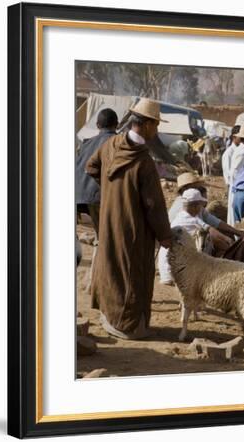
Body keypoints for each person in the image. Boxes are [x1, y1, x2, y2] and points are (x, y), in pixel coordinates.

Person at [86, 97, 172, 340]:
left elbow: (91, 168)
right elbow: (154, 205)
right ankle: (129, 325)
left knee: (111, 267)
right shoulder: (143, 161)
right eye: (155, 125)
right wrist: (165, 236)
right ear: (145, 125)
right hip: (133, 228)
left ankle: (109, 318)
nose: (156, 130)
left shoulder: (110, 145)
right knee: (131, 273)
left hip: (109, 221)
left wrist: (111, 193)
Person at [168, 172, 242, 255]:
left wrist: (237, 232)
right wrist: (228, 241)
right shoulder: (184, 208)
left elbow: (215, 221)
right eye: (195, 186)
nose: (198, 188)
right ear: (185, 188)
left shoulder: (194, 202)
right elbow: (208, 230)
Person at [75, 108, 118, 235]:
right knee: (109, 237)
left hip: (84, 195)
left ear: (98, 125)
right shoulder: (119, 143)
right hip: (104, 197)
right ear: (117, 124)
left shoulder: (86, 144)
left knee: (102, 234)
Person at [158, 189, 210, 285]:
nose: (201, 208)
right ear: (194, 205)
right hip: (176, 275)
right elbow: (211, 230)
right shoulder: (193, 220)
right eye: (200, 205)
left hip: (165, 273)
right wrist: (227, 239)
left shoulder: (180, 217)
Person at [221, 125, 240, 223]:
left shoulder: (241, 150)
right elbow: (228, 176)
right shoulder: (229, 153)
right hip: (234, 189)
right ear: (234, 137)